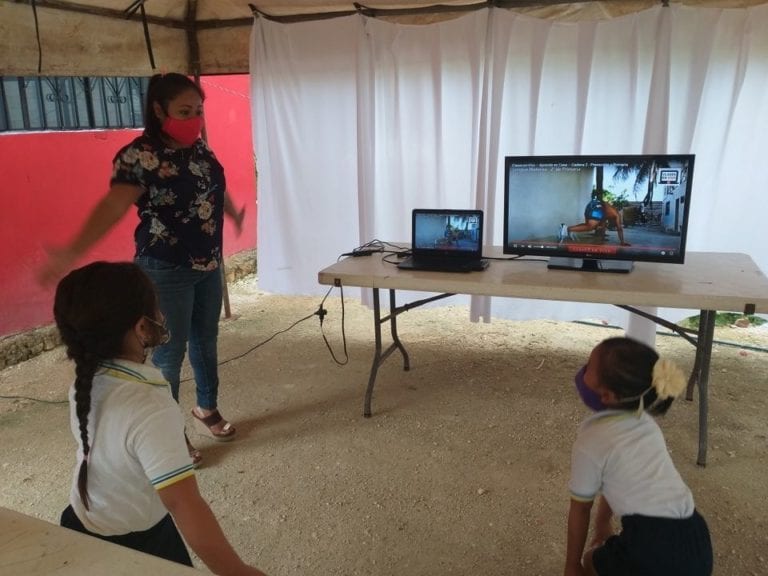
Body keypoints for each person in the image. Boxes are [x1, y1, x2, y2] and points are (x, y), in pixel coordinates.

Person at [38, 72, 246, 466]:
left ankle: (206, 408)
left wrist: (232, 212)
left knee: (206, 340)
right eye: (184, 111)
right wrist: (72, 250)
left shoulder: (199, 148)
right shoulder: (140, 156)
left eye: (199, 110)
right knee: (169, 353)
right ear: (159, 110)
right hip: (166, 267)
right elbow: (114, 205)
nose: (194, 119)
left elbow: (212, 187)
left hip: (208, 263)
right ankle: (169, 432)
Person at [53, 261, 266, 576]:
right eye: (157, 307)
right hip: (137, 541)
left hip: (81, 521)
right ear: (142, 328)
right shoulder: (149, 406)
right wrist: (238, 572)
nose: (162, 315)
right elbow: (184, 504)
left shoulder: (86, 379)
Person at [564, 337, 713, 576]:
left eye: (589, 367)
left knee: (591, 560)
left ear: (607, 396)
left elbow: (580, 509)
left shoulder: (591, 441)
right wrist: (603, 524)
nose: (583, 370)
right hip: (696, 540)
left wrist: (572, 565)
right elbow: (616, 479)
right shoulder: (645, 423)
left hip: (651, 550)